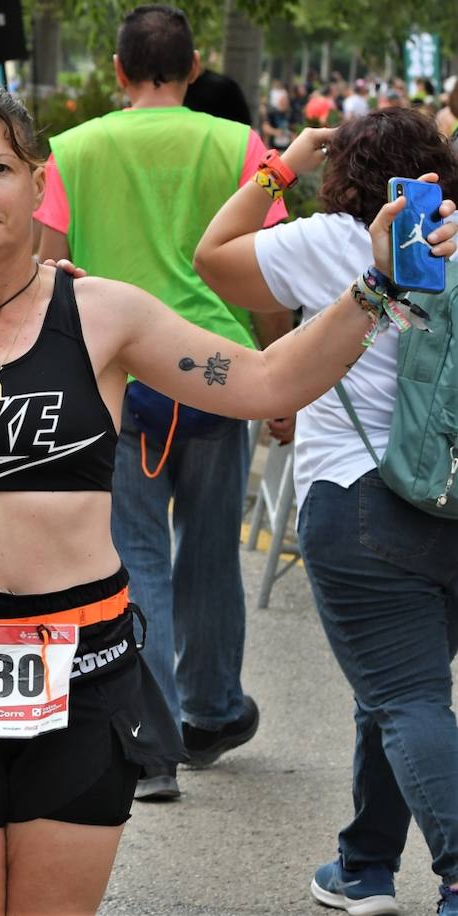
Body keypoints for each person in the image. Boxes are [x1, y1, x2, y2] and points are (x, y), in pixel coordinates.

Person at [0, 77, 457, 916]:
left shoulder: (105, 314)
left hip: (79, 666)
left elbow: (264, 382)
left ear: (39, 180)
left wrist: (372, 289)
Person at [195, 108, 458, 916]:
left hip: (358, 500)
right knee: (395, 689)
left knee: (405, 697)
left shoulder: (332, 240)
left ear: (347, 174)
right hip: (450, 499)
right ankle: (366, 864)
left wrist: (281, 167)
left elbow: (213, 260)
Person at [35, 3, 291, 802]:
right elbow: (268, 269)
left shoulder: (72, 151)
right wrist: (279, 373)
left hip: (121, 379)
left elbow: (48, 268)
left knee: (133, 553)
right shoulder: (239, 145)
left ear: (116, 69)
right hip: (217, 373)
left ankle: (151, 739)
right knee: (212, 553)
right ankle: (214, 707)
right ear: (193, 66)